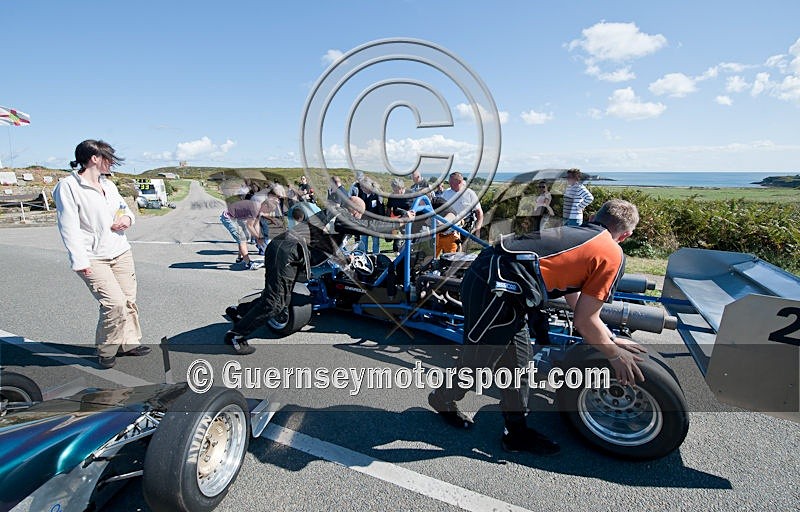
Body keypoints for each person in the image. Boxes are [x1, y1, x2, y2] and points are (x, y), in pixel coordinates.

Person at [428, 199, 645, 456]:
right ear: (626, 235)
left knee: (520, 364)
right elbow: (585, 321)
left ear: (594, 218)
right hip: (493, 289)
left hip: (506, 290)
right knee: (478, 364)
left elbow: (576, 299)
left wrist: (608, 338)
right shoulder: (611, 253)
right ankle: (442, 398)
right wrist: (614, 354)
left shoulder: (580, 233)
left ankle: (516, 434)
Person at [223, 196, 415, 354]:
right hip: (289, 252)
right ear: (356, 211)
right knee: (277, 302)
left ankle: (239, 311)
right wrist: (400, 221)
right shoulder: (343, 215)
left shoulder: (333, 213)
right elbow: (369, 226)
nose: (359, 218)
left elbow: (327, 241)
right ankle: (236, 335)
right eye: (360, 215)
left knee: (277, 294)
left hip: (286, 249)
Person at [53, 140, 151, 369]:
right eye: (108, 158)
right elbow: (68, 226)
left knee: (128, 300)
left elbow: (123, 209)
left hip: (120, 251)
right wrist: (79, 259)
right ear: (94, 158)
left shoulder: (108, 185)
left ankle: (128, 343)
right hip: (93, 256)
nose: (112, 163)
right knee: (114, 303)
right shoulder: (68, 186)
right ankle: (106, 348)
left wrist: (127, 219)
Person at [439, 171, 484, 250]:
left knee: (461, 252)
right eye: (449, 182)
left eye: (452, 182)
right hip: (448, 227)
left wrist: (478, 229)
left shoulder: (470, 194)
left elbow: (479, 212)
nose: (450, 184)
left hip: (464, 227)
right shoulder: (446, 193)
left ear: (459, 182)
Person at [220, 192, 263, 270]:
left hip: (237, 218)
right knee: (242, 239)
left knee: (244, 236)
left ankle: (240, 258)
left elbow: (256, 224)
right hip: (229, 218)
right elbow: (250, 225)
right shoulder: (255, 208)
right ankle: (248, 264)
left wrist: (259, 236)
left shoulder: (259, 209)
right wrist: (258, 238)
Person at [386, 178, 413, 253]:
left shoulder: (410, 194)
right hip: (397, 223)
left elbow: (416, 208)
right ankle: (397, 253)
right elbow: (388, 208)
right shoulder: (392, 196)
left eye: (396, 190)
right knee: (395, 243)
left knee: (406, 243)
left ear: (401, 188)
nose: (395, 192)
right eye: (393, 190)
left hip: (409, 223)